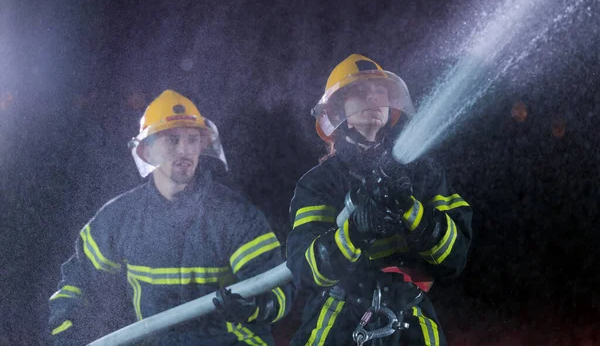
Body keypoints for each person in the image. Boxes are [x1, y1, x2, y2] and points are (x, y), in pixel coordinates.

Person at [48, 90, 294, 345]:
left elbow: (279, 288)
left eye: (192, 140)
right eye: (172, 140)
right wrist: (67, 327)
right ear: (147, 152)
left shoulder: (234, 216)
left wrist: (253, 306)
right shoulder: (120, 218)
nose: (184, 151)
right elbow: (78, 280)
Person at [286, 54, 472, 345]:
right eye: (360, 92)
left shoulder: (422, 172)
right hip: (339, 318)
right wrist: (355, 232)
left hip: (410, 317)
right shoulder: (320, 182)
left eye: (380, 91)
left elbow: (455, 257)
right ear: (338, 109)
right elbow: (307, 271)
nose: (373, 98)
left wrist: (414, 213)